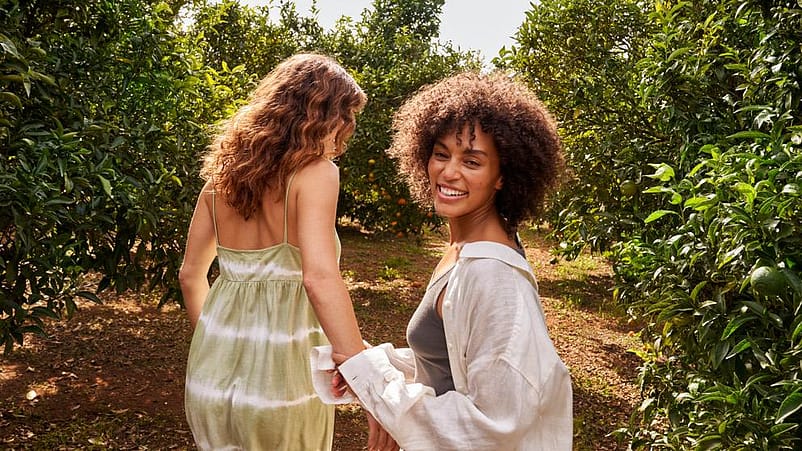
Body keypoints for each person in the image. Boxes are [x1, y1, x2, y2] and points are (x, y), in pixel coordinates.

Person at [315, 71, 573, 450]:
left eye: (472, 161)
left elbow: (495, 425)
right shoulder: (462, 250)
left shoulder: (492, 277)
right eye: (440, 154)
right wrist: (370, 365)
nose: (448, 172)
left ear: (504, 176)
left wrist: (378, 386)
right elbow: (452, 365)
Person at [179, 53, 394, 450]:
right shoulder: (316, 173)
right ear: (320, 115)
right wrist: (365, 374)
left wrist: (217, 342)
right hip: (282, 382)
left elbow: (191, 275)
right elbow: (319, 277)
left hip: (210, 374)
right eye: (345, 116)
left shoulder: (219, 182)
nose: (347, 129)